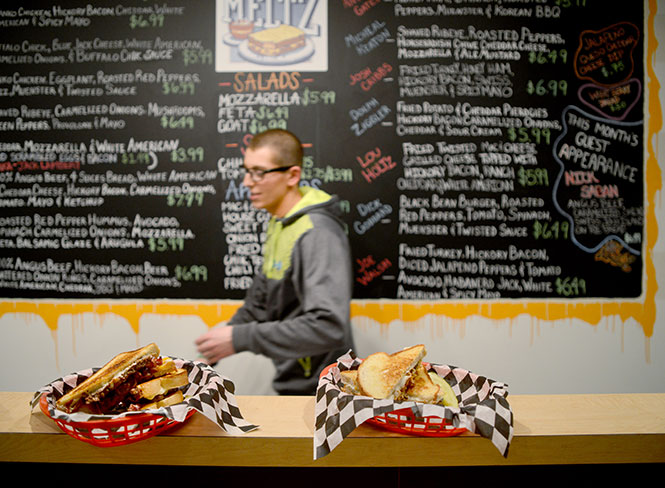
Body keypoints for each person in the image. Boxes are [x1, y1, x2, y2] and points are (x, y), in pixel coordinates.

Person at [195, 129, 354, 395]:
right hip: (294, 386)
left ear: (292, 175)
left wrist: (240, 338)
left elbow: (329, 327)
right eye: (246, 171)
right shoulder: (279, 224)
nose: (247, 182)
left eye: (259, 172)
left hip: (324, 392)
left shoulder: (317, 233)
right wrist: (213, 350)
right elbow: (260, 302)